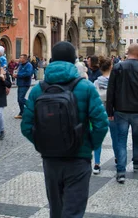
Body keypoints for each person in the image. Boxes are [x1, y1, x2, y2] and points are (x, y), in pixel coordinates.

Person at [21, 42, 108, 218]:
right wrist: (89, 145)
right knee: (74, 211)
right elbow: (101, 124)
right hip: (78, 158)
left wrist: (43, 144)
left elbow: (26, 126)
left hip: (51, 160)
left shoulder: (38, 89)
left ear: (52, 59)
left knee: (56, 209)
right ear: (73, 61)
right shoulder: (86, 87)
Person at [107, 43, 138, 184]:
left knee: (121, 140)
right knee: (137, 137)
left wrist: (110, 110)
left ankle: (121, 171)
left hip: (120, 110)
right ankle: (137, 163)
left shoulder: (117, 67)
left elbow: (111, 91)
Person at [93, 56, 113, 175]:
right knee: (116, 138)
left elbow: (94, 98)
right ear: (111, 67)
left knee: (98, 139)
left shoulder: (96, 82)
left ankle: (96, 164)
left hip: (99, 112)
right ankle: (118, 160)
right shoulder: (115, 81)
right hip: (113, 112)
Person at [13, 54, 33, 119]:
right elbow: (18, 71)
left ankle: (32, 106)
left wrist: (18, 75)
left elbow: (28, 73)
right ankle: (22, 113)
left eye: (21, 58)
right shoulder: (20, 65)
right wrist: (15, 73)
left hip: (25, 84)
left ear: (25, 59)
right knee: (19, 99)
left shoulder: (29, 65)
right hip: (20, 83)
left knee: (21, 98)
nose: (19, 59)